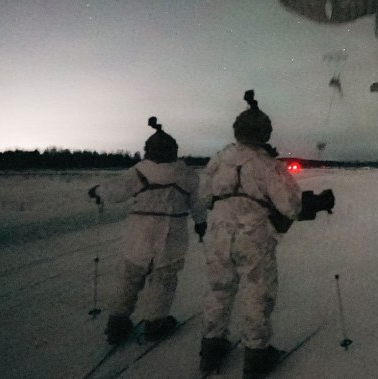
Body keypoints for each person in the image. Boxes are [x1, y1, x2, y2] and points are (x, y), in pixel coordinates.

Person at [196, 90, 334, 376]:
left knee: (219, 289)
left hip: (217, 234)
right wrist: (315, 202)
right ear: (264, 133)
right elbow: (291, 205)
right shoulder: (267, 164)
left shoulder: (219, 158)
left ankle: (211, 349)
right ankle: (256, 357)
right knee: (256, 294)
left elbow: (203, 194)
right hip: (252, 236)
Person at [87, 117, 205, 345]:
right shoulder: (187, 175)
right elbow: (198, 204)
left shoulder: (138, 172)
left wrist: (97, 192)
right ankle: (155, 324)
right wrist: (201, 223)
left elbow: (114, 191)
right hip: (172, 235)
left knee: (129, 277)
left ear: (148, 150)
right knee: (164, 280)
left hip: (139, 235)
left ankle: (117, 323)